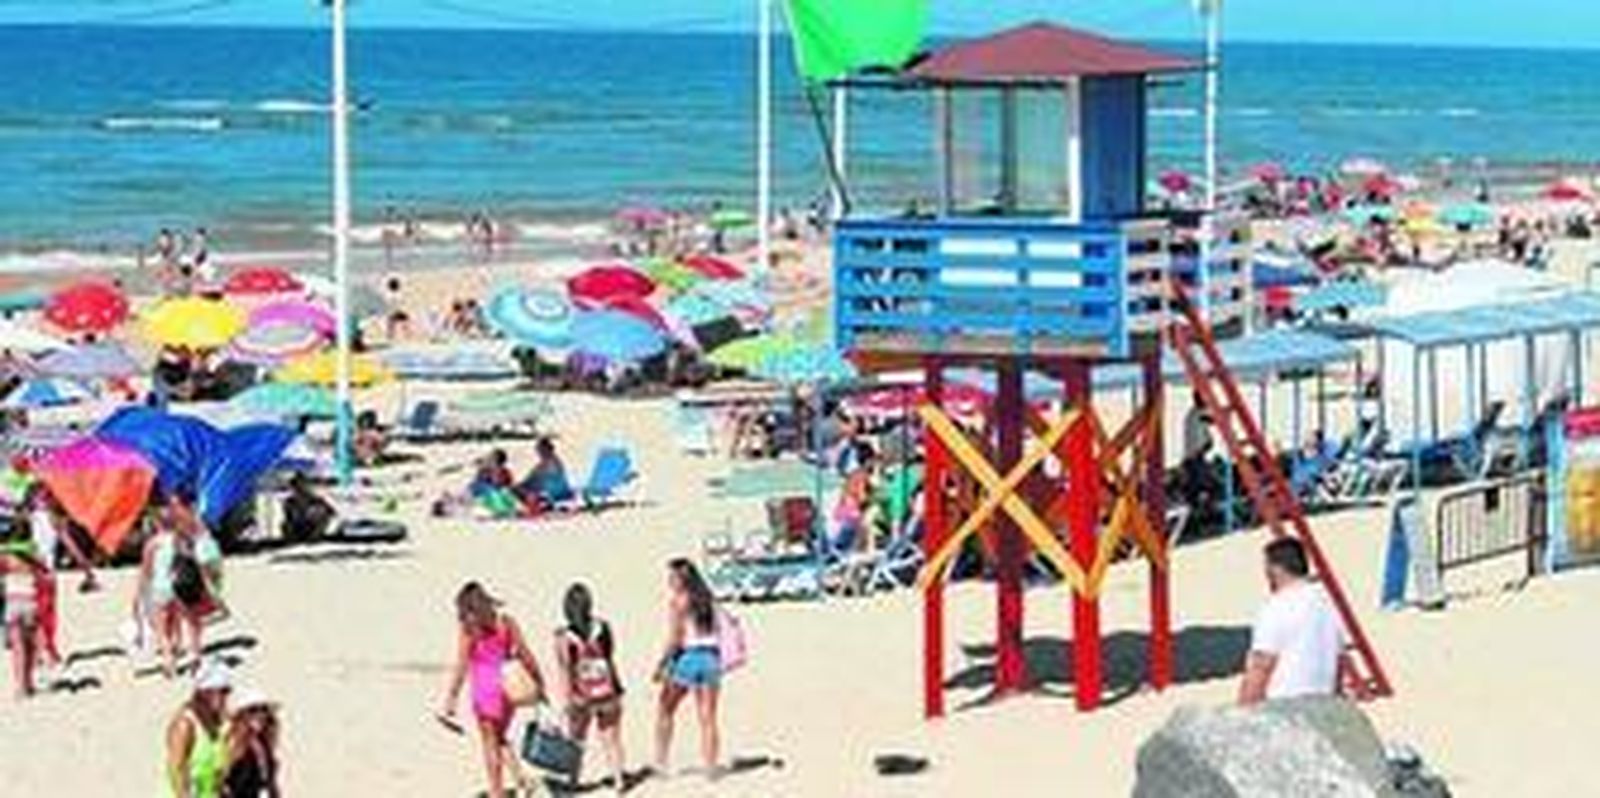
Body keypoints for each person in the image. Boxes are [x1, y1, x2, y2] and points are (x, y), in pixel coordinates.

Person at [438, 582, 545, 798]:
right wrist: (539, 682)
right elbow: (525, 654)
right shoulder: (505, 622)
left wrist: (451, 697)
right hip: (507, 686)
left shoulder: (470, 629)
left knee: (490, 745)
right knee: (499, 736)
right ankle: (521, 781)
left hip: (484, 689)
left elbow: (462, 664)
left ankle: (496, 791)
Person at [1238, 538, 1348, 705]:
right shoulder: (1327, 601)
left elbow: (1261, 665)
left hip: (1285, 707)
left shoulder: (1277, 606)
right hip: (1323, 702)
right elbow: (1339, 660)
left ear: (1275, 569)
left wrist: (1243, 712)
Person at [554, 583, 627, 794]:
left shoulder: (563, 637)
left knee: (577, 740)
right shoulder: (603, 627)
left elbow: (565, 670)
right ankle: (619, 779)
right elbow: (610, 655)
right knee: (611, 737)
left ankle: (572, 782)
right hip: (608, 689)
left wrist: (566, 700)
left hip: (581, 694)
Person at [653, 558, 723, 778]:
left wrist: (662, 663)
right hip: (712, 658)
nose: (669, 581)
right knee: (708, 717)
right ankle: (711, 768)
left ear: (681, 580)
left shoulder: (678, 601)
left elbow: (675, 638)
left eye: (672, 577)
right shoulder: (707, 599)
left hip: (689, 658)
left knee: (665, 709)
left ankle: (661, 762)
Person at [28, 487, 98, 672]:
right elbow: (70, 545)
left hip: (28, 571)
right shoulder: (53, 519)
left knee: (38, 614)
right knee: (47, 615)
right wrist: (86, 568)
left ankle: (42, 653)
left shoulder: (26, 518)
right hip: (45, 571)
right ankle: (47, 653)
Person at [166, 657, 231, 798]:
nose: (226, 697)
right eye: (222, 691)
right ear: (205, 693)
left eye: (227, 691)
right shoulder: (185, 724)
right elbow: (176, 770)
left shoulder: (218, 721)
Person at [1, 513, 47, 699]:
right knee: (29, 647)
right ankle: (28, 683)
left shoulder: (5, 557)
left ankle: (19, 687)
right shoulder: (33, 555)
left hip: (13, 602)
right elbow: (45, 573)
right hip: (30, 603)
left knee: (17, 648)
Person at [223, 687, 281, 798]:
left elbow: (270, 784)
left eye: (264, 709)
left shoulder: (263, 744)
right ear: (241, 715)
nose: (260, 715)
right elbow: (220, 784)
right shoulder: (234, 743)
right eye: (253, 710)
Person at [279, 473, 336, 544]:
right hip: (297, 527)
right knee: (285, 525)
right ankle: (293, 540)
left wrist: (316, 513)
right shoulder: (289, 502)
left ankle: (313, 539)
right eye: (296, 486)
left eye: (301, 485)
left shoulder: (316, 500)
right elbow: (288, 518)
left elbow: (331, 513)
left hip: (312, 527)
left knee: (322, 512)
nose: (299, 489)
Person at [518, 437, 572, 509]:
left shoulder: (550, 462)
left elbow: (537, 477)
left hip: (553, 492)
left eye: (540, 450)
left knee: (521, 490)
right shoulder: (550, 461)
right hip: (556, 491)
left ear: (545, 449)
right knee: (520, 488)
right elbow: (532, 477)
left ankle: (538, 502)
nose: (539, 453)